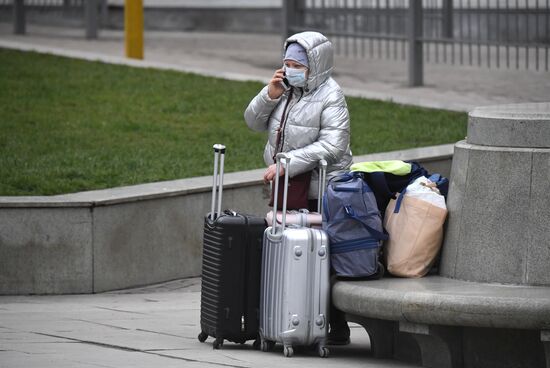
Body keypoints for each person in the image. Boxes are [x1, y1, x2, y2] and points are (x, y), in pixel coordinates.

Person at [244, 31, 352, 345]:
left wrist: (287, 162)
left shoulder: (331, 94)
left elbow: (334, 146)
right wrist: (270, 93)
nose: (290, 69)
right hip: (288, 183)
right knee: (287, 247)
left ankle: (335, 326)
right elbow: (252, 121)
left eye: (297, 64)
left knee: (320, 253)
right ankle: (286, 317)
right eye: (287, 63)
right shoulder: (286, 90)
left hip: (319, 187)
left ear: (314, 65)